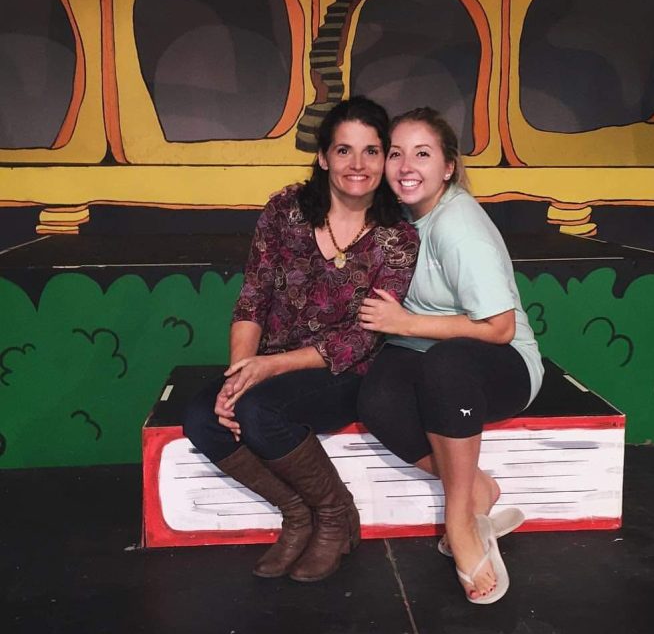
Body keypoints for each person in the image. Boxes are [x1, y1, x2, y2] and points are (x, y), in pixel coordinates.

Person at [183, 97, 419, 583]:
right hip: (271, 364)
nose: (357, 165)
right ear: (323, 157)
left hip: (345, 373)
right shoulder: (284, 211)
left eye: (371, 152)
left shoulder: (398, 237)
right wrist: (239, 373)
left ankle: (334, 516)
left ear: (384, 159)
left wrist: (266, 373)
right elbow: (254, 295)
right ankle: (298, 513)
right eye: (344, 150)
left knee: (259, 411)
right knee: (201, 417)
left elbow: (364, 335)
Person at [358, 108, 543, 604]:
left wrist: (405, 324)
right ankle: (479, 489)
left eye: (423, 153)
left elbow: (499, 329)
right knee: (373, 395)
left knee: (447, 365)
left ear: (448, 167)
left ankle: (459, 523)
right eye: (395, 153)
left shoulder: (457, 224)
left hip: (500, 363)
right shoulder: (400, 216)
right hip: (423, 347)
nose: (405, 165)